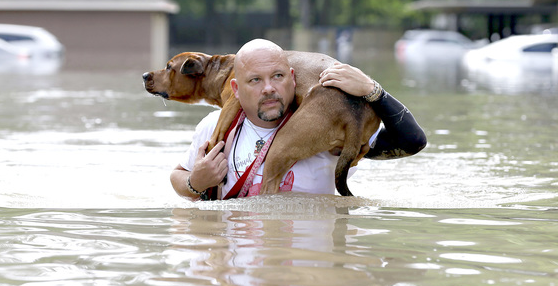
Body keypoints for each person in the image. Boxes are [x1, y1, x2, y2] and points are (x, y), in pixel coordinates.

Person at [171, 39, 427, 200]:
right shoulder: (214, 127)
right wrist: (195, 183)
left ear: (293, 78)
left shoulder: (323, 132)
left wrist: (374, 91)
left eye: (278, 76)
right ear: (236, 89)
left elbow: (412, 141)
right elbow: (177, 178)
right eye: (255, 80)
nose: (269, 88)